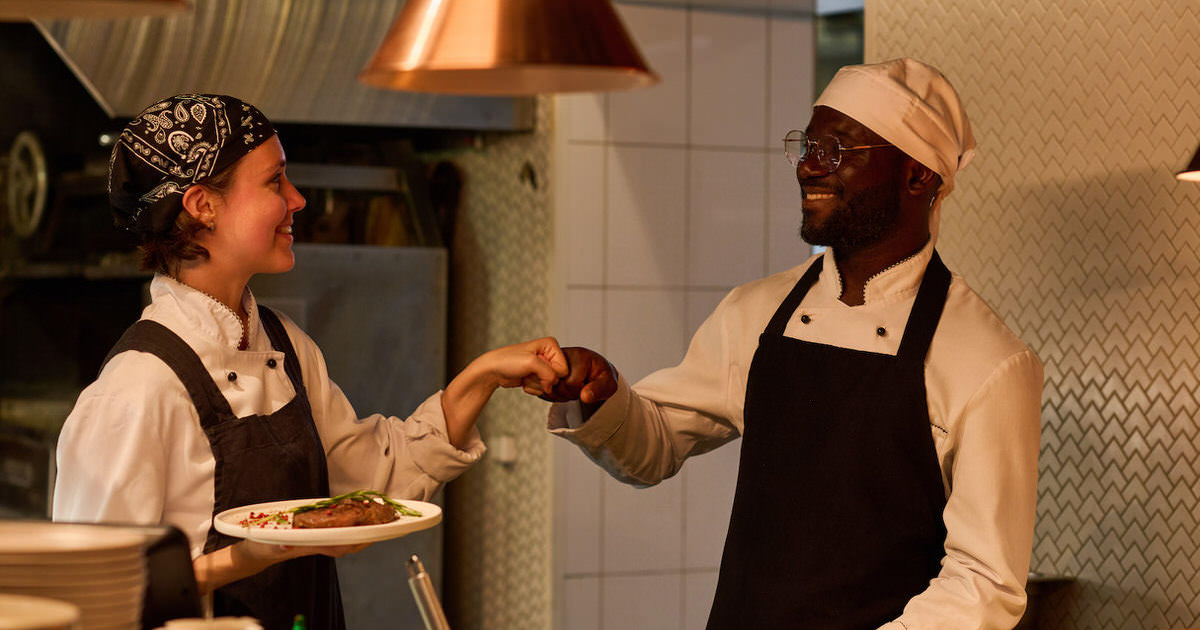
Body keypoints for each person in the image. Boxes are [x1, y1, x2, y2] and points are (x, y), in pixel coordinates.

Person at [539, 58, 1043, 630]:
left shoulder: (989, 363)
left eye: (837, 149)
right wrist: (601, 395)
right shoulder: (754, 312)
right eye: (807, 145)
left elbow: (984, 583)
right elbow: (653, 446)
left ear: (917, 176)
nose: (808, 166)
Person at [52, 93, 568, 630]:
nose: (297, 200)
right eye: (275, 181)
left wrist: (483, 376)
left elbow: (374, 482)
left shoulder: (285, 346)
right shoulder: (136, 388)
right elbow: (89, 595)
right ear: (203, 205)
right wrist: (247, 556)